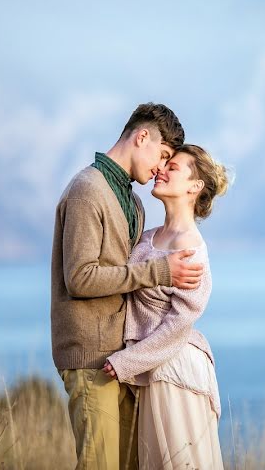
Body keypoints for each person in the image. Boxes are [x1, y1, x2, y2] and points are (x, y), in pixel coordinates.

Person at [50, 102, 205, 470]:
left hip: (122, 363)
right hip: (90, 358)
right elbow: (81, 278)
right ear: (142, 136)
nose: (160, 170)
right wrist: (160, 272)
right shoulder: (88, 189)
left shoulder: (134, 203)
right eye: (162, 156)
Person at [103, 144, 231, 470]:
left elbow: (178, 326)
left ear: (194, 186)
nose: (162, 169)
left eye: (172, 167)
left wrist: (126, 361)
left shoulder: (192, 250)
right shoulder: (147, 237)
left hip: (177, 371)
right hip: (152, 370)